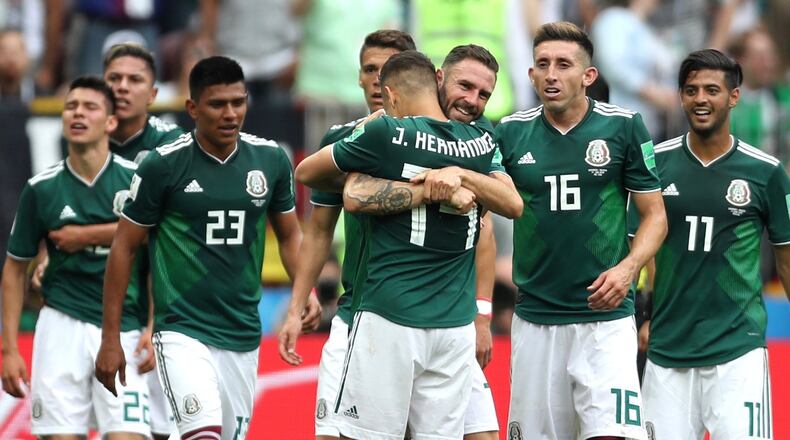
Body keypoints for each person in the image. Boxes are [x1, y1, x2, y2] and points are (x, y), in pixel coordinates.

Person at [278, 33, 502, 439]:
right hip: (363, 312)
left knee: (481, 433)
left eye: (389, 69)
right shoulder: (352, 138)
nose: (379, 79)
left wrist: (482, 314)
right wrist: (298, 304)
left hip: (433, 314)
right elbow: (321, 228)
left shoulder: (475, 136)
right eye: (370, 70)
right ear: (363, 79)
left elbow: (485, 234)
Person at [94, 56, 309, 440]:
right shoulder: (163, 165)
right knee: (201, 434)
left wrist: (302, 287)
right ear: (192, 107)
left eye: (238, 102)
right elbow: (124, 247)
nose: (230, 114)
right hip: (182, 328)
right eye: (217, 104)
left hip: (242, 330)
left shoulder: (270, 159)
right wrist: (111, 339)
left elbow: (291, 235)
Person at [494, 22, 667, 440]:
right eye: (542, 65)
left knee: (612, 434)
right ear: (531, 75)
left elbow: (655, 216)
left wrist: (629, 269)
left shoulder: (624, 127)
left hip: (605, 319)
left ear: (588, 76)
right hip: (535, 318)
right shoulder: (509, 132)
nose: (551, 74)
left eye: (563, 64)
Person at [631, 49, 790, 440]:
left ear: (733, 97)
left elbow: (786, 260)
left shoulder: (765, 172)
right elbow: (637, 253)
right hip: (668, 350)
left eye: (711, 90)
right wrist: (643, 315)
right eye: (691, 90)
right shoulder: (654, 164)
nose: (700, 99)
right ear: (681, 96)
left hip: (738, 349)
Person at [1, 76, 150, 439]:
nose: (77, 114)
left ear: (111, 122)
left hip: (125, 328)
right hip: (60, 327)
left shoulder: (137, 182)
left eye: (89, 107)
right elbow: (14, 271)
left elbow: (159, 258)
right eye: (71, 107)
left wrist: (153, 323)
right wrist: (8, 349)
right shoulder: (41, 188)